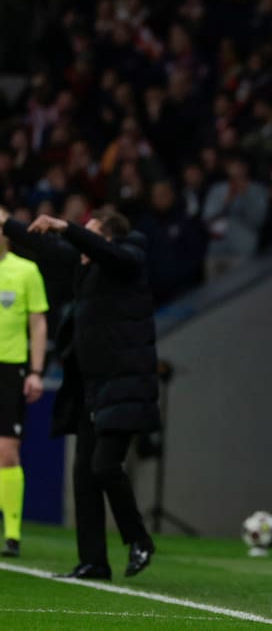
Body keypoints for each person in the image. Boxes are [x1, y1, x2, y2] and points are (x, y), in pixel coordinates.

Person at [1, 208, 160, 580]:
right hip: (94, 389)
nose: (79, 243)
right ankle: (93, 562)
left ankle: (139, 539)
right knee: (84, 475)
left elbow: (108, 252)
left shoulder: (128, 258)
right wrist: (8, 225)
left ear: (106, 238)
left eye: (89, 234)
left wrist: (67, 227)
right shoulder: (88, 267)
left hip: (126, 386)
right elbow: (53, 249)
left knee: (104, 465)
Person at [0, 219, 49, 558]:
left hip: (10, 368)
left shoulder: (27, 271)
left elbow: (38, 321)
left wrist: (35, 370)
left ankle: (13, 533)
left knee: (6, 452)